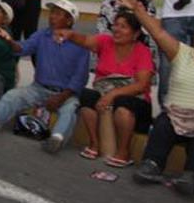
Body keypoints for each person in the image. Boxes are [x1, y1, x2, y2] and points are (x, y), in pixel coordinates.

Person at [119, 0, 194, 195]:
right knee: (162, 124)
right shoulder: (182, 52)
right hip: (175, 115)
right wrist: (137, 9)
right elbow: (157, 32)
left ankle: (192, 176)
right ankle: (151, 165)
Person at [0, 0, 90, 154]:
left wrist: (61, 97)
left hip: (66, 93)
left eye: (57, 14)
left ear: (69, 20)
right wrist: (9, 41)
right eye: (52, 13)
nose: (51, 17)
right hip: (39, 88)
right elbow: (23, 48)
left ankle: (56, 139)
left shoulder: (81, 45)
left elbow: (80, 77)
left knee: (69, 110)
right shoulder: (42, 35)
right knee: (14, 95)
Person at [55, 10, 154, 167]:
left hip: (134, 101)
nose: (117, 29)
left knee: (123, 103)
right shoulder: (105, 41)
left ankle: (124, 152)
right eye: (115, 25)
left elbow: (141, 85)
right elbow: (85, 40)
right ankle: (95, 144)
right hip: (105, 95)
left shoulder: (143, 51)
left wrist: (113, 94)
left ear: (135, 34)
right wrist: (69, 34)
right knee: (86, 96)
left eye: (123, 27)